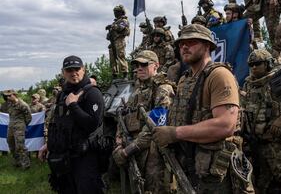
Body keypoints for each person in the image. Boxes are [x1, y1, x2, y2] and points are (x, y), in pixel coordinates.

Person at [151, 24, 253, 193]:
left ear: (207, 46)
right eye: (182, 43)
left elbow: (225, 125)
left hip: (215, 174)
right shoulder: (185, 79)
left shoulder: (219, 75)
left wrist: (175, 133)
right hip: (190, 166)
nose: (184, 46)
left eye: (192, 42)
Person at [38, 55, 105, 194]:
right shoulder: (62, 94)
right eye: (69, 70)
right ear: (63, 72)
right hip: (64, 156)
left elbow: (92, 124)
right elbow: (58, 124)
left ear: (83, 70)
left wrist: (74, 105)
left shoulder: (92, 93)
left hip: (85, 156)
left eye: (77, 69)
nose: (73, 73)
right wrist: (49, 144)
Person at [112, 50, 175, 193]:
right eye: (137, 65)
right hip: (135, 150)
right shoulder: (138, 90)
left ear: (156, 66)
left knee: (154, 189)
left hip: (154, 154)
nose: (139, 68)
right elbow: (124, 115)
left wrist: (128, 151)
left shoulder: (163, 88)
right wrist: (119, 141)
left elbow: (156, 127)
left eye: (144, 64)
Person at [241, 49, 281, 193]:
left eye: (257, 63)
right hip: (255, 142)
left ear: (267, 64)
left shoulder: (280, 80)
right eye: (251, 64)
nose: (253, 67)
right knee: (257, 184)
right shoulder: (248, 84)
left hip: (277, 143)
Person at [3, 89, 31, 169]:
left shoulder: (23, 105)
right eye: (7, 96)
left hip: (19, 127)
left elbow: (29, 117)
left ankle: (26, 164)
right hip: (11, 127)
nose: (8, 98)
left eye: (9, 96)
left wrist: (22, 125)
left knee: (20, 146)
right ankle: (17, 161)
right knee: (10, 143)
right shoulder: (10, 104)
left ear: (14, 95)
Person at [106, 4, 130, 79]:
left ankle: (125, 74)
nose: (115, 13)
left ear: (121, 12)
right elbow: (108, 36)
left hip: (119, 41)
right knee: (113, 59)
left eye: (117, 12)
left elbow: (120, 28)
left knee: (121, 56)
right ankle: (114, 75)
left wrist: (112, 26)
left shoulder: (124, 20)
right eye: (114, 12)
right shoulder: (115, 22)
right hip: (113, 42)